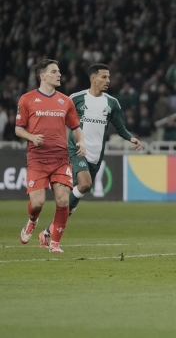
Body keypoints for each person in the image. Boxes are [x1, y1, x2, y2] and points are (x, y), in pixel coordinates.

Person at [38, 64, 142, 247]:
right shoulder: (76, 99)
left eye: (109, 77)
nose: (108, 81)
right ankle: (52, 236)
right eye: (104, 77)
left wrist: (131, 138)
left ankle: (47, 232)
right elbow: (57, 119)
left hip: (96, 155)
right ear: (93, 78)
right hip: (77, 149)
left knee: (75, 198)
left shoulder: (112, 103)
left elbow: (120, 127)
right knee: (86, 184)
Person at [16, 59, 86, 254]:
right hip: (37, 158)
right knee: (37, 203)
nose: (59, 74)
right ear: (42, 76)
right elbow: (18, 129)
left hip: (60, 158)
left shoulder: (66, 101)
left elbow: (75, 127)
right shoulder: (27, 99)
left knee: (63, 201)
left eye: (59, 71)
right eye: (54, 71)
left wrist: (81, 141)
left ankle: (55, 242)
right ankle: (32, 221)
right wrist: (31, 137)